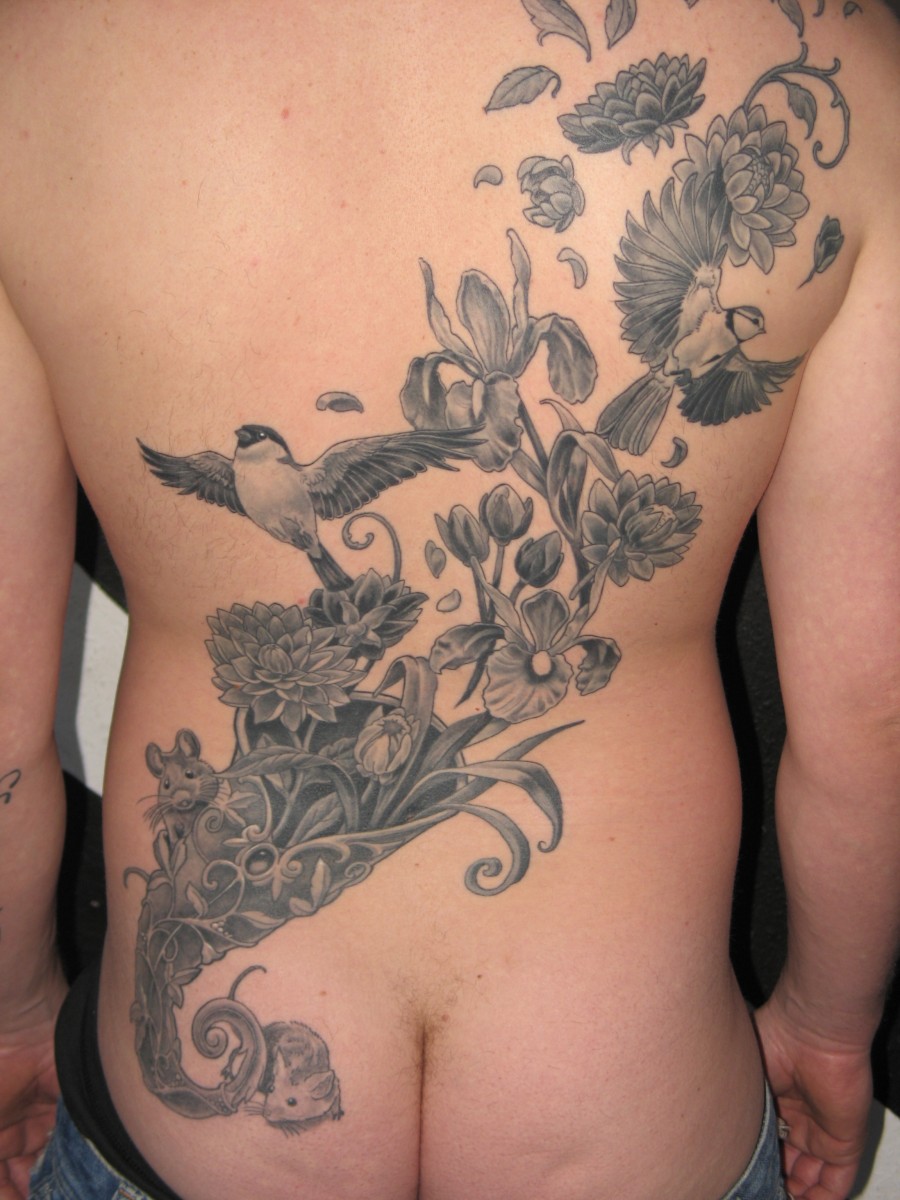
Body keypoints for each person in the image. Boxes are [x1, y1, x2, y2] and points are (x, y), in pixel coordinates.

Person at [0, 2, 897, 1198]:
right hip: (632, 1120)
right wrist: (831, 1029)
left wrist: (13, 1004)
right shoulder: (843, 70)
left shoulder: (33, 65)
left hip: (196, 1145)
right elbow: (872, 719)